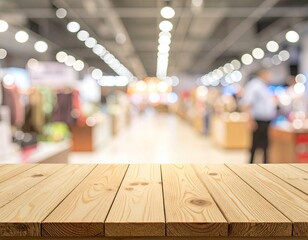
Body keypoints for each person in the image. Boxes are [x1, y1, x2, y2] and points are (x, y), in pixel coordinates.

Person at [241, 69, 277, 163]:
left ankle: (265, 164)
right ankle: (251, 164)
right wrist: (250, 120)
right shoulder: (254, 85)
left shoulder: (263, 86)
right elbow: (247, 104)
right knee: (255, 145)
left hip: (265, 120)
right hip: (258, 120)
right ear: (263, 74)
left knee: (265, 145)